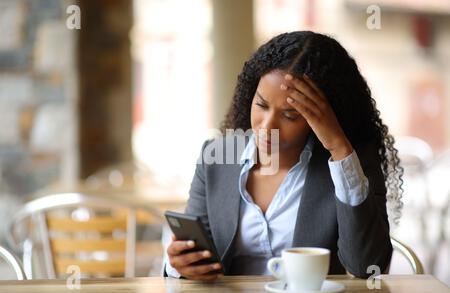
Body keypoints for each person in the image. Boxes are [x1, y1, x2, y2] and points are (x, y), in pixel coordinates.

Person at [164, 31, 403, 280]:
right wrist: (179, 265)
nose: (267, 127)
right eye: (261, 105)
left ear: (322, 117)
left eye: (290, 115)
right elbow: (195, 255)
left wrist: (338, 147)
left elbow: (366, 265)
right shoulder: (217, 156)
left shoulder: (352, 164)